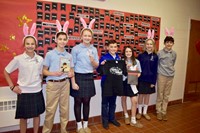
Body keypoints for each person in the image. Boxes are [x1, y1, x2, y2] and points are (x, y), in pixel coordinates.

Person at [4, 23, 45, 133]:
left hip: (37, 91)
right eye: (27, 44)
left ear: (36, 45)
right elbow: (6, 71)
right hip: (24, 92)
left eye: (32, 44)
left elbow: (41, 73)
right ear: (24, 45)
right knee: (23, 117)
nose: (30, 46)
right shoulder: (18, 59)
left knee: (37, 115)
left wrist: (40, 83)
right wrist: (12, 87)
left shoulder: (40, 59)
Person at [42, 20, 74, 133]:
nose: (62, 41)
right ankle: (46, 131)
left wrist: (71, 73)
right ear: (56, 40)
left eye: (64, 39)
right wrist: (53, 73)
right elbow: (44, 71)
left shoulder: (68, 56)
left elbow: (71, 70)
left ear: (67, 41)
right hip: (52, 85)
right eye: (60, 39)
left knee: (64, 110)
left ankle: (63, 130)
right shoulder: (50, 54)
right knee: (50, 110)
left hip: (65, 84)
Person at [70, 17, 99, 133]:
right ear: (81, 37)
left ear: (91, 38)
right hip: (78, 76)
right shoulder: (76, 49)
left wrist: (93, 61)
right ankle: (79, 126)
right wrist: (73, 82)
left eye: (89, 36)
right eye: (85, 35)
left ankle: (85, 125)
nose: (87, 37)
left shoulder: (94, 49)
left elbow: (96, 66)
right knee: (77, 101)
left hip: (89, 77)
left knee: (87, 101)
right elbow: (71, 66)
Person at [98, 39, 124, 130]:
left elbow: (122, 71)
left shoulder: (119, 58)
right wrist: (101, 65)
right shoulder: (104, 58)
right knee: (105, 103)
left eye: (115, 47)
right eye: (111, 47)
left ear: (117, 48)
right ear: (107, 47)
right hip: (106, 83)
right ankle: (105, 121)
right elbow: (99, 71)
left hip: (115, 84)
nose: (113, 48)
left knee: (113, 102)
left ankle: (112, 118)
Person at [136, 29, 158, 121]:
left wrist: (153, 82)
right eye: (148, 44)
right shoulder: (141, 56)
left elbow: (155, 69)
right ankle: (139, 112)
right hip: (141, 79)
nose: (149, 46)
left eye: (151, 44)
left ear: (153, 46)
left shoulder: (156, 56)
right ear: (145, 45)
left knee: (147, 96)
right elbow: (136, 67)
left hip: (150, 79)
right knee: (141, 95)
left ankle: (145, 112)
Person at [156, 28, 176, 121]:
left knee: (166, 95)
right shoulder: (159, 53)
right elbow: (157, 64)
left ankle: (164, 112)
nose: (169, 44)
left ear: (173, 44)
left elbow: (173, 63)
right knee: (160, 94)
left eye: (171, 42)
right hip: (161, 76)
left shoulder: (174, 53)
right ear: (164, 43)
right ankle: (158, 112)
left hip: (170, 76)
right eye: (167, 42)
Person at [121, 46, 143, 128]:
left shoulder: (136, 61)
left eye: (130, 51)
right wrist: (126, 68)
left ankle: (133, 119)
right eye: (126, 51)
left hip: (132, 83)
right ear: (124, 53)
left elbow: (139, 72)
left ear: (132, 52)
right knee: (123, 99)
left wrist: (136, 74)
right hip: (123, 82)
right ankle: (126, 115)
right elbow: (119, 73)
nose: (128, 53)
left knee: (134, 100)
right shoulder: (122, 61)